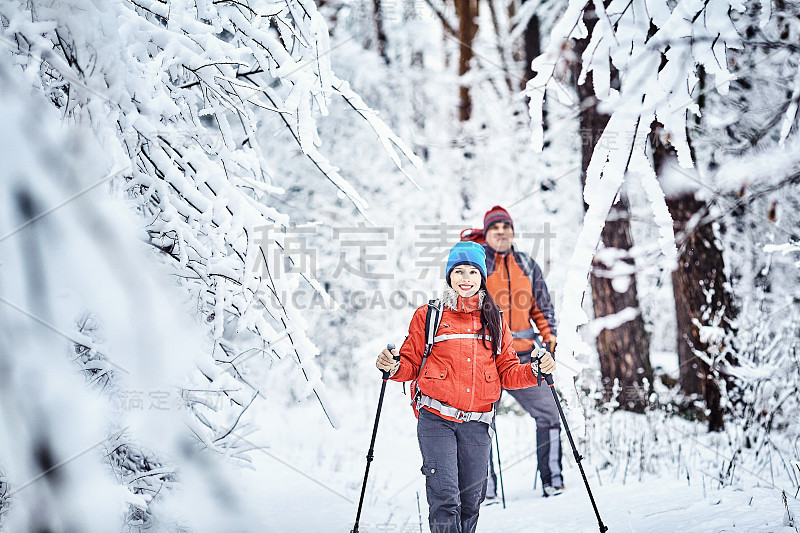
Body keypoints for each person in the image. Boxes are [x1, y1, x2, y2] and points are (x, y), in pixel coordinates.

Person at [376, 241, 556, 533]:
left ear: (482, 277)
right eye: (458, 271)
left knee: (472, 501)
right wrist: (393, 366)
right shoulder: (429, 316)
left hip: (478, 422)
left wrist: (536, 371)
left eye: (472, 272)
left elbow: (508, 372)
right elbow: (410, 363)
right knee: (445, 498)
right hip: (436, 419)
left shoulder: (495, 319)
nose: (465, 278)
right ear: (448, 276)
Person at [481, 205, 564, 498]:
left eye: (506, 227)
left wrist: (550, 337)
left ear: (513, 232)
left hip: (524, 359)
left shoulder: (527, 265)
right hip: (485, 361)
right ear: (486, 233)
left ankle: (553, 480)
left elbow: (542, 308)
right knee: (480, 423)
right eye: (495, 228)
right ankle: (484, 490)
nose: (501, 232)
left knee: (551, 413)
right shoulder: (477, 265)